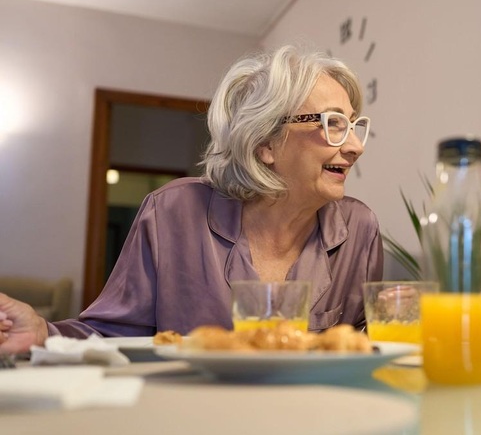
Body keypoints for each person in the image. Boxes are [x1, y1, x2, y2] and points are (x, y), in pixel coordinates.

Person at [0, 45, 383, 354]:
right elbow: (111, 333)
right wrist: (43, 333)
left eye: (353, 126)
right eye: (332, 124)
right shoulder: (173, 212)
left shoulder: (358, 228)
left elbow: (370, 345)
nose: (354, 147)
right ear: (265, 141)